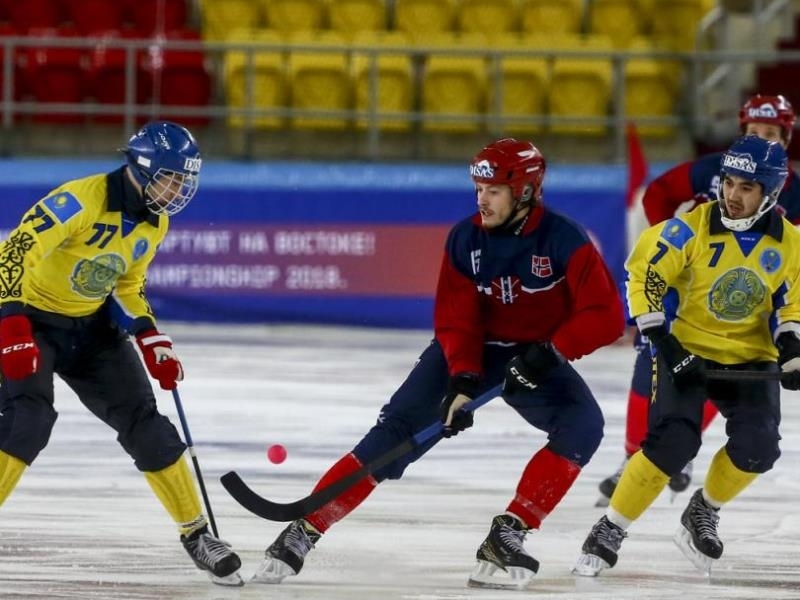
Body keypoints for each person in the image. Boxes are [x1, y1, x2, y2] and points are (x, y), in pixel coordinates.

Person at [250, 137, 625, 590]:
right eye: (478, 189)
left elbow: (606, 316)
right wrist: (463, 380)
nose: (481, 199)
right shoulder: (465, 239)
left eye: (494, 191)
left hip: (536, 357)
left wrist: (550, 352)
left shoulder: (565, 239)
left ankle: (509, 532)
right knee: (395, 436)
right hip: (475, 350)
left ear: (524, 192)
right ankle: (303, 529)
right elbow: (456, 320)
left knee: (583, 425)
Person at [0, 121, 243, 586]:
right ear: (142, 169)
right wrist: (12, 325)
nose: (178, 190)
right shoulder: (79, 199)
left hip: (91, 328)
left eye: (184, 181)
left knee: (147, 423)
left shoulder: (158, 220)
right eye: (172, 178)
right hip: (29, 319)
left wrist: (150, 335)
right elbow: (13, 253)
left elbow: (128, 284)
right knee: (26, 421)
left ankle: (197, 535)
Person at [573, 135, 800, 578]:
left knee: (759, 449)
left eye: (747, 188)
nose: (733, 195)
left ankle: (703, 510)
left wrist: (791, 346)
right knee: (670, 446)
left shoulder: (791, 243)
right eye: (730, 183)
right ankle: (610, 527)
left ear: (770, 194)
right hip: (688, 349)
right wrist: (669, 347)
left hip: (751, 358)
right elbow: (644, 278)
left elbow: (791, 302)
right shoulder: (689, 228)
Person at [596, 93, 800, 506]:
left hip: (744, 297)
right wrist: (675, 245)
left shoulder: (793, 193)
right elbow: (657, 194)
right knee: (652, 360)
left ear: (787, 138)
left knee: (721, 368)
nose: (763, 139)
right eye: (755, 131)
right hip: (689, 286)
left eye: (772, 134)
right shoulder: (713, 169)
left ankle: (679, 455)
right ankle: (634, 454)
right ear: (742, 132)